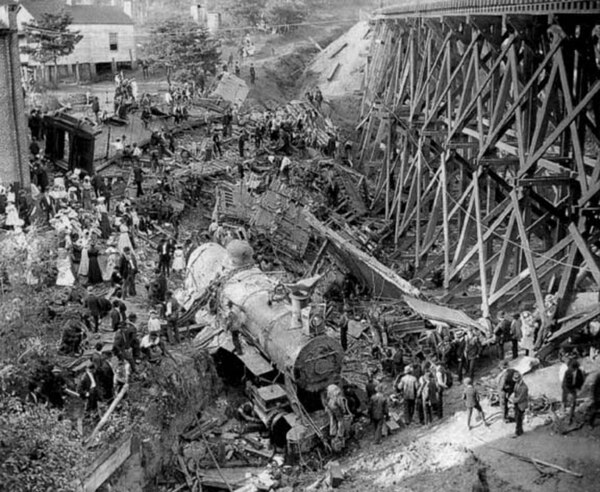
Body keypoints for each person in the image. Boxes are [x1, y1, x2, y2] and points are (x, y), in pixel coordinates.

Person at [562, 358, 585, 424]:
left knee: (573, 403)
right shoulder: (567, 372)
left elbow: (581, 380)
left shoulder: (579, 371)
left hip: (574, 388)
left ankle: (570, 417)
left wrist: (579, 388)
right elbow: (565, 383)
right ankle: (567, 414)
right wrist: (569, 392)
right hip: (568, 388)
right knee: (568, 401)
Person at [511, 372, 529, 437]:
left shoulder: (524, 387)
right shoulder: (517, 384)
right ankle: (520, 430)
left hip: (521, 404)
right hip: (517, 404)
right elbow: (515, 392)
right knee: (517, 417)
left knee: (519, 419)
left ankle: (518, 432)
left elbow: (521, 398)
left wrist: (513, 400)